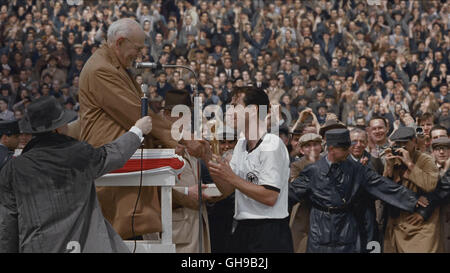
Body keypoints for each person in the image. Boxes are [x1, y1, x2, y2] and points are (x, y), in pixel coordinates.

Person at [72, 18, 206, 240]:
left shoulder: (115, 66)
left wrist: (175, 139)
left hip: (125, 166)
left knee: (126, 235)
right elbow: (136, 113)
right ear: (121, 42)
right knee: (116, 235)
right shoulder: (101, 69)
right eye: (138, 48)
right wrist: (180, 138)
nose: (140, 55)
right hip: (114, 165)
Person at [0, 96, 153, 253]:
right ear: (57, 128)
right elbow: (114, 155)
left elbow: (7, 224)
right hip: (79, 246)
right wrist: (137, 130)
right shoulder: (79, 154)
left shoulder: (13, 168)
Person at [289, 128, 429, 253]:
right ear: (331, 149)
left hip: (347, 226)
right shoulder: (313, 171)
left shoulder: (357, 169)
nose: (349, 151)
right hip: (320, 227)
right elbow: (291, 194)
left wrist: (412, 198)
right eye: (344, 149)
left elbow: (382, 185)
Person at [207, 86, 293, 253]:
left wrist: (231, 177)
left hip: (269, 232)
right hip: (243, 228)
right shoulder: (240, 145)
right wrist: (206, 156)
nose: (229, 111)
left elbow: (269, 196)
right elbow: (227, 190)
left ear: (253, 110)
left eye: (234, 105)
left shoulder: (271, 145)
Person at [383, 127, 441, 253]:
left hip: (421, 226)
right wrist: (389, 168)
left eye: (405, 143)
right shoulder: (394, 159)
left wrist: (410, 164)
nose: (402, 147)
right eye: (398, 144)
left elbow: (431, 185)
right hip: (398, 223)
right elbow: (385, 190)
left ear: (414, 141)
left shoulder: (426, 160)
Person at [289, 133, 322, 253]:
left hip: (325, 213)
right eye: (308, 146)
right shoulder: (297, 165)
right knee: (298, 245)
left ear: (321, 147)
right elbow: (296, 187)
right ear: (302, 150)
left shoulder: (329, 161)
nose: (312, 148)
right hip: (303, 211)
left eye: (315, 144)